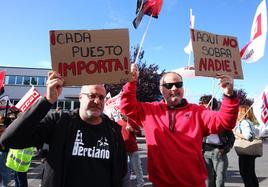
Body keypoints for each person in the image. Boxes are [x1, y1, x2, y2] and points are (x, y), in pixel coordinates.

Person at [0, 71, 127, 187]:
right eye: (92, 95)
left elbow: (121, 172)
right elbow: (9, 140)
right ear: (80, 97)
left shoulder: (113, 130)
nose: (97, 101)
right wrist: (47, 101)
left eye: (101, 97)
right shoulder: (59, 121)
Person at [120, 64, 240, 187]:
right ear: (161, 89)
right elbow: (127, 107)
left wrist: (229, 95)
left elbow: (225, 122)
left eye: (178, 84)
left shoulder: (197, 112)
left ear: (183, 87)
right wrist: (131, 82)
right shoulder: (150, 110)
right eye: (168, 85)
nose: (174, 88)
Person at [200, 95, 235, 187]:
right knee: (208, 180)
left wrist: (225, 149)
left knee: (220, 179)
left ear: (210, 105)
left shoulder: (220, 119)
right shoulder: (201, 119)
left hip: (219, 151)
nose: (200, 106)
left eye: (203, 104)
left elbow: (231, 137)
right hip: (205, 151)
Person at [234, 105, 259, 187]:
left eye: (238, 111)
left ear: (242, 112)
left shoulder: (244, 122)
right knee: (251, 173)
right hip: (250, 151)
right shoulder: (249, 122)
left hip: (245, 150)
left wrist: (235, 133)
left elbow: (247, 136)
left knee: (245, 173)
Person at [117, 113, 144, 187]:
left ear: (126, 114)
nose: (122, 116)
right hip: (122, 149)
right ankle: (125, 184)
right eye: (120, 114)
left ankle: (141, 183)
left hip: (133, 148)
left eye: (123, 114)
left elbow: (140, 133)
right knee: (124, 168)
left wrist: (132, 130)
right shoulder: (118, 123)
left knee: (137, 167)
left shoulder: (132, 122)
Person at [0, 113, 12, 187]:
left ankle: (6, 184)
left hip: (4, 150)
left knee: (5, 170)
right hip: (3, 150)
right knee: (4, 170)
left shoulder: (6, 124)